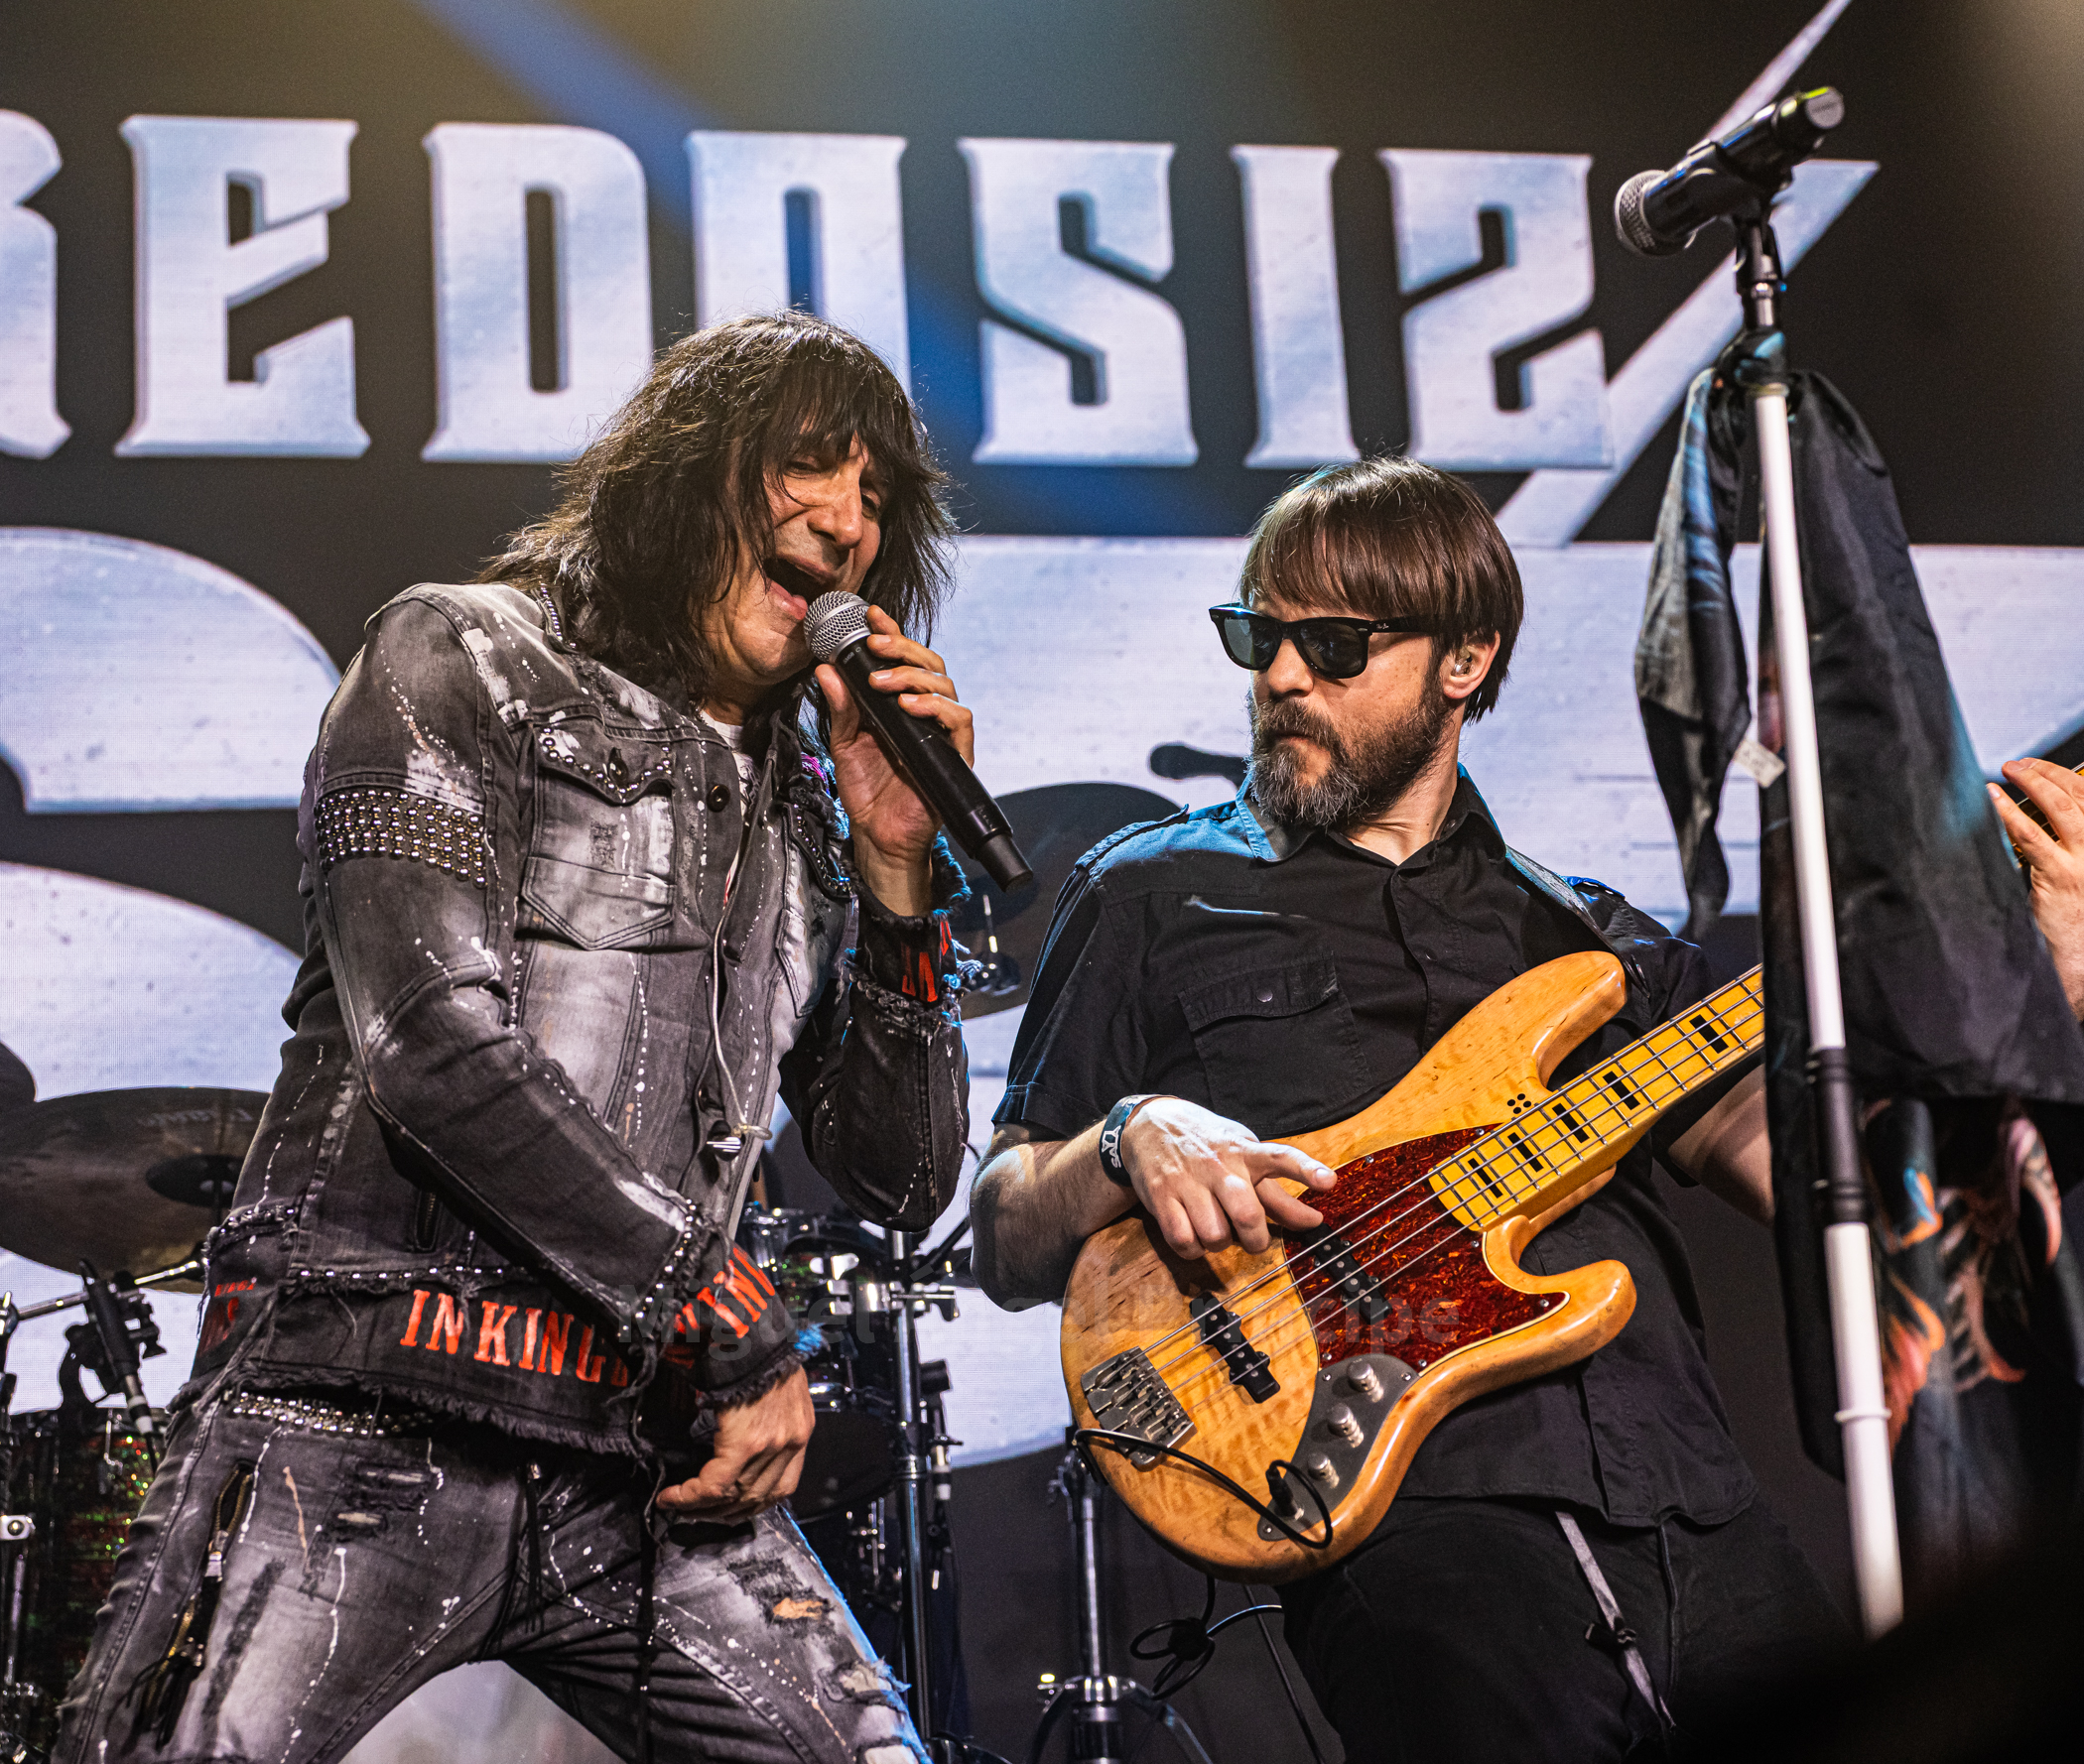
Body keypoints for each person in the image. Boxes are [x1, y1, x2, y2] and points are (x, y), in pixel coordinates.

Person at [57, 313, 976, 1764]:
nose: (846, 522)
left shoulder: (806, 797)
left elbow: (903, 1178)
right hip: (365, 1410)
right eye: (806, 468)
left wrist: (900, 871)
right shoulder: (461, 654)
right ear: (687, 474)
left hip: (642, 1465)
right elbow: (431, 1042)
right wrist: (725, 1310)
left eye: (876, 498)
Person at [970, 456, 1850, 1763]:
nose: (1281, 677)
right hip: (1409, 1507)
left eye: (1332, 645)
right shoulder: (1150, 891)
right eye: (1259, 637)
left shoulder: (1587, 935)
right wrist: (1127, 1134)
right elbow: (1003, 1224)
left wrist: (1999, 975)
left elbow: (1820, 1186)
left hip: (1686, 1489)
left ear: (1464, 659)